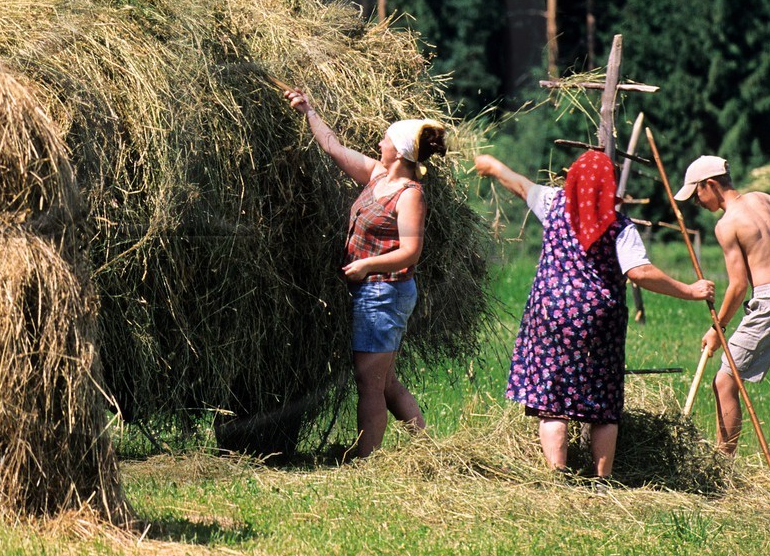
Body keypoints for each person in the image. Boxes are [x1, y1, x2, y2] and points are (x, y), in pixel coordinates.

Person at [476, 150, 715, 480]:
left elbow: (519, 184)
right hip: (598, 320)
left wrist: (491, 166)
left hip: (550, 314)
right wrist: (689, 290)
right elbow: (640, 272)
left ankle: (558, 475)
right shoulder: (618, 226)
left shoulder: (552, 203)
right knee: (602, 403)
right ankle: (602, 479)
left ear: (572, 178)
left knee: (551, 402)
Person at [285, 88, 445, 458]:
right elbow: (333, 148)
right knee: (383, 380)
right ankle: (429, 449)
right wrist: (308, 109)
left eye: (386, 139)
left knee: (368, 382)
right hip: (372, 290)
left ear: (400, 151)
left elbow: (411, 252)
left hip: (384, 293)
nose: (379, 141)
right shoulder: (376, 175)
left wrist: (367, 264)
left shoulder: (409, 194)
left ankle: (365, 460)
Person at [676, 155, 770, 485]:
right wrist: (764, 227)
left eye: (696, 194)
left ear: (710, 185)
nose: (697, 203)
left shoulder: (726, 224)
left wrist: (718, 327)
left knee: (725, 380)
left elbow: (738, 285)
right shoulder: (760, 200)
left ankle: (722, 472)